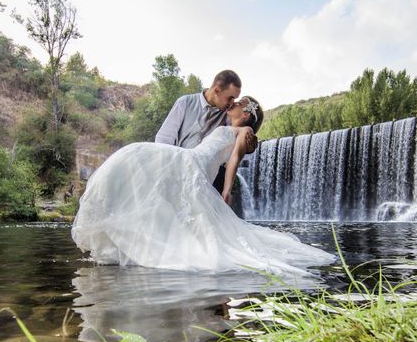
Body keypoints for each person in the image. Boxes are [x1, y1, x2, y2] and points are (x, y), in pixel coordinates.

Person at [72, 98, 334, 275]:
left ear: (246, 114)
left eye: (239, 103)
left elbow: (232, 161)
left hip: (195, 165)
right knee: (137, 164)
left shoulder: (244, 133)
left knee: (142, 165)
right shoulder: (226, 125)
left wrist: (227, 189)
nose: (233, 105)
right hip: (191, 161)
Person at [154, 69, 256, 193]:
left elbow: (237, 146)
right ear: (217, 90)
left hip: (205, 184)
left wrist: (249, 148)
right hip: (176, 173)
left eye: (234, 99)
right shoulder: (185, 103)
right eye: (230, 98)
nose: (232, 103)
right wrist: (165, 173)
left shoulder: (229, 115)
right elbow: (163, 140)